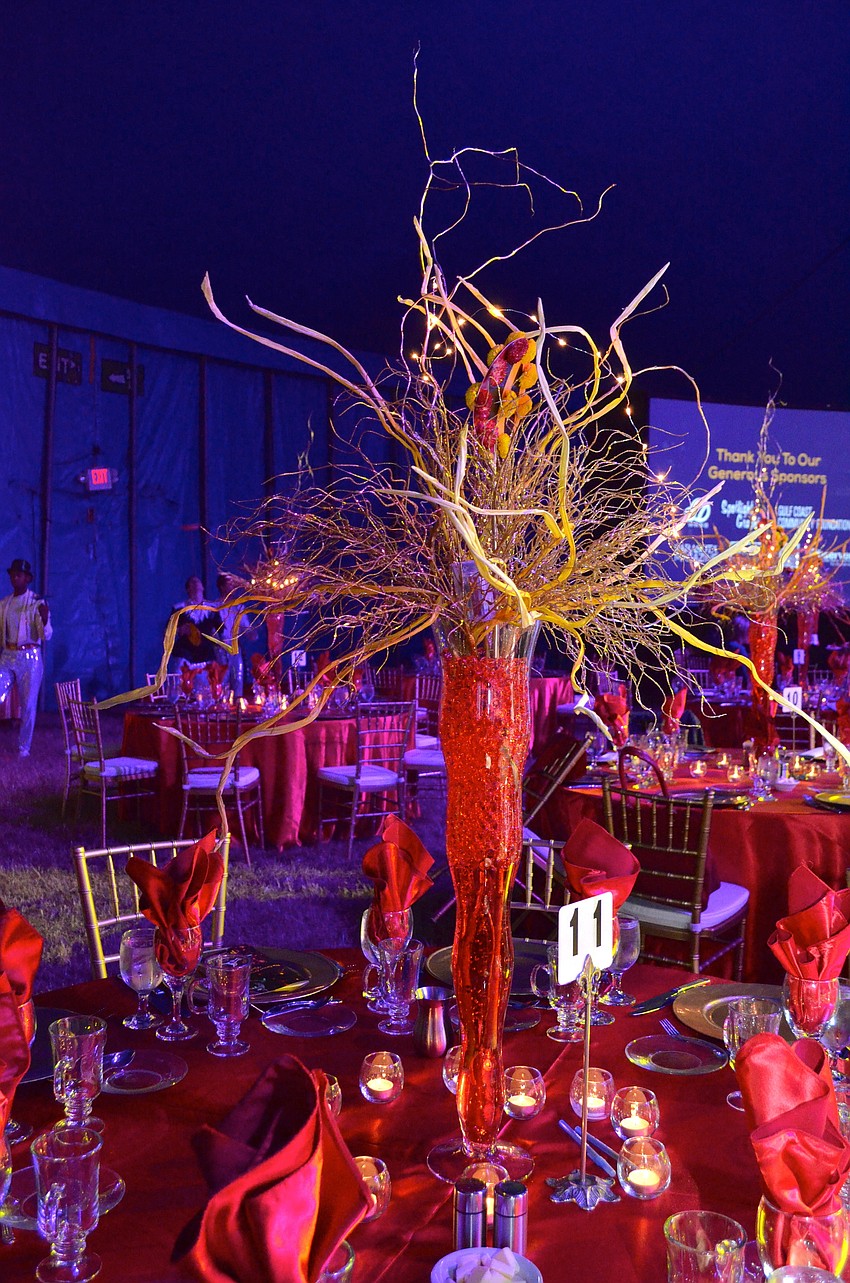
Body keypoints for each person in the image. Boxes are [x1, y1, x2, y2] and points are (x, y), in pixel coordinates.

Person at [0, 558, 52, 757]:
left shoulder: (37, 602)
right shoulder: (4, 604)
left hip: (30, 656)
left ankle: (24, 748)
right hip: (8, 655)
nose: (15, 577)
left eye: (19, 574)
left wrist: (45, 618)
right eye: (13, 574)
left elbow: (45, 635)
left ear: (27, 579)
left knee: (28, 704)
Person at [169, 576, 223, 686]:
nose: (196, 585)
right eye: (192, 583)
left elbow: (220, 630)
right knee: (182, 685)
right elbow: (169, 630)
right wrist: (179, 630)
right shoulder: (179, 608)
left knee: (207, 686)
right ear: (188, 589)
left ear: (202, 587)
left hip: (206, 653)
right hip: (185, 653)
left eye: (198, 582)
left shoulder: (212, 609)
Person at [214, 573, 256, 699]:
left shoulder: (238, 607)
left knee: (237, 677)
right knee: (222, 680)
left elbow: (247, 628)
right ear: (222, 587)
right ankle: (221, 706)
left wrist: (251, 632)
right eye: (229, 585)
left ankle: (237, 706)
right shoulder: (215, 607)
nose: (232, 588)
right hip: (219, 649)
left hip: (235, 648)